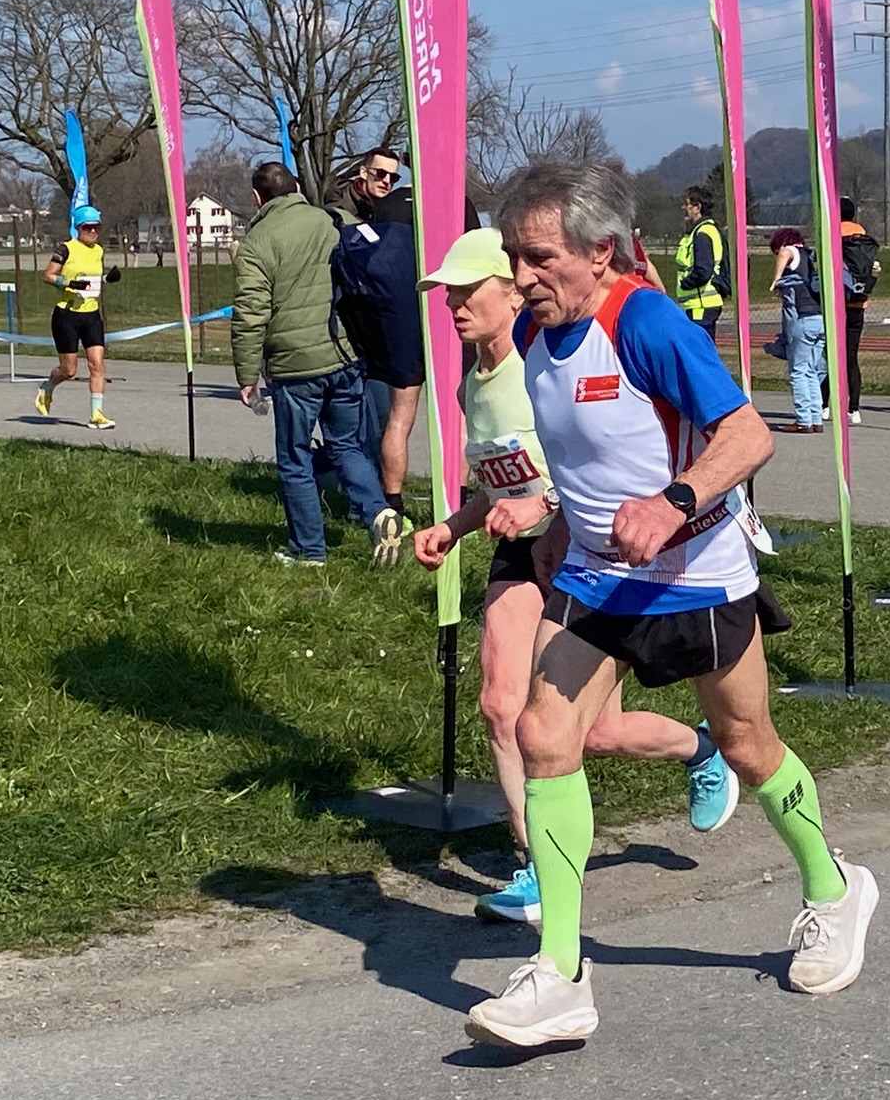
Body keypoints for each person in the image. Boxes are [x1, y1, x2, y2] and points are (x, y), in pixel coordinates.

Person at [465, 160, 877, 1047]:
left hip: (695, 573)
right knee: (543, 734)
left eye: (539, 257)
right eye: (513, 257)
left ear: (599, 252)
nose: (521, 277)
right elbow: (585, 453)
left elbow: (748, 435)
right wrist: (555, 516)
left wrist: (672, 502)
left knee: (748, 746)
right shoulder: (536, 334)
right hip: (596, 576)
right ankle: (561, 974)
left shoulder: (647, 322)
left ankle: (835, 889)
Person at [409, 227, 737, 926]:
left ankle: (701, 748)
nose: (455, 306)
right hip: (519, 551)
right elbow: (500, 484)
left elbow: (591, 466)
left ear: (512, 293)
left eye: (468, 291)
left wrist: (546, 505)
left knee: (597, 732)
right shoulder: (472, 386)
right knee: (502, 706)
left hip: (585, 549)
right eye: (447, 295)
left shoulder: (545, 363)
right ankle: (537, 868)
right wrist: (453, 527)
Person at [230, 161, 400, 567]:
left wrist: (247, 375)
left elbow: (251, 314)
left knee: (295, 458)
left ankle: (309, 550)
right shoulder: (335, 220)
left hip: (295, 366)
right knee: (347, 446)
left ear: (257, 197)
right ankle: (378, 511)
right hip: (344, 353)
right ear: (297, 187)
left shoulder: (257, 243)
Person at [329, 183, 423, 534]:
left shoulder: (377, 225)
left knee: (392, 420)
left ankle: (389, 502)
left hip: (378, 332)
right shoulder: (422, 214)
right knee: (415, 419)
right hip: (413, 327)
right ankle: (443, 501)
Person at [34, 204, 122, 429]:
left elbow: (91, 281)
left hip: (91, 315)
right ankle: (47, 387)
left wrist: (107, 279)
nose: (92, 231)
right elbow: (47, 275)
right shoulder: (66, 249)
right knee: (69, 371)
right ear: (78, 227)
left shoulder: (98, 251)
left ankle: (96, 415)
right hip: (67, 315)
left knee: (97, 365)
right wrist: (67, 283)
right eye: (87, 227)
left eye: (96, 227)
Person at [769, 227, 825, 433]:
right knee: (811, 371)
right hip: (818, 318)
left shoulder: (791, 251)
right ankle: (815, 418)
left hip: (802, 318)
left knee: (799, 372)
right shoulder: (809, 258)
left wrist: (776, 280)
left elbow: (785, 252)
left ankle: (803, 420)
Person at [837, 197, 880, 423]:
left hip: (838, 303)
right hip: (859, 302)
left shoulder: (834, 233)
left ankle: (825, 403)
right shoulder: (862, 235)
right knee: (851, 357)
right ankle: (854, 408)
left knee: (830, 355)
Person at [673, 187, 729, 341]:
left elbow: (703, 271)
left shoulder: (703, 233)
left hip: (701, 305)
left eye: (687, 205)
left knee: (699, 349)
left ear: (697, 207)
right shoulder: (700, 231)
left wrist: (686, 284)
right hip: (697, 304)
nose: (683, 208)